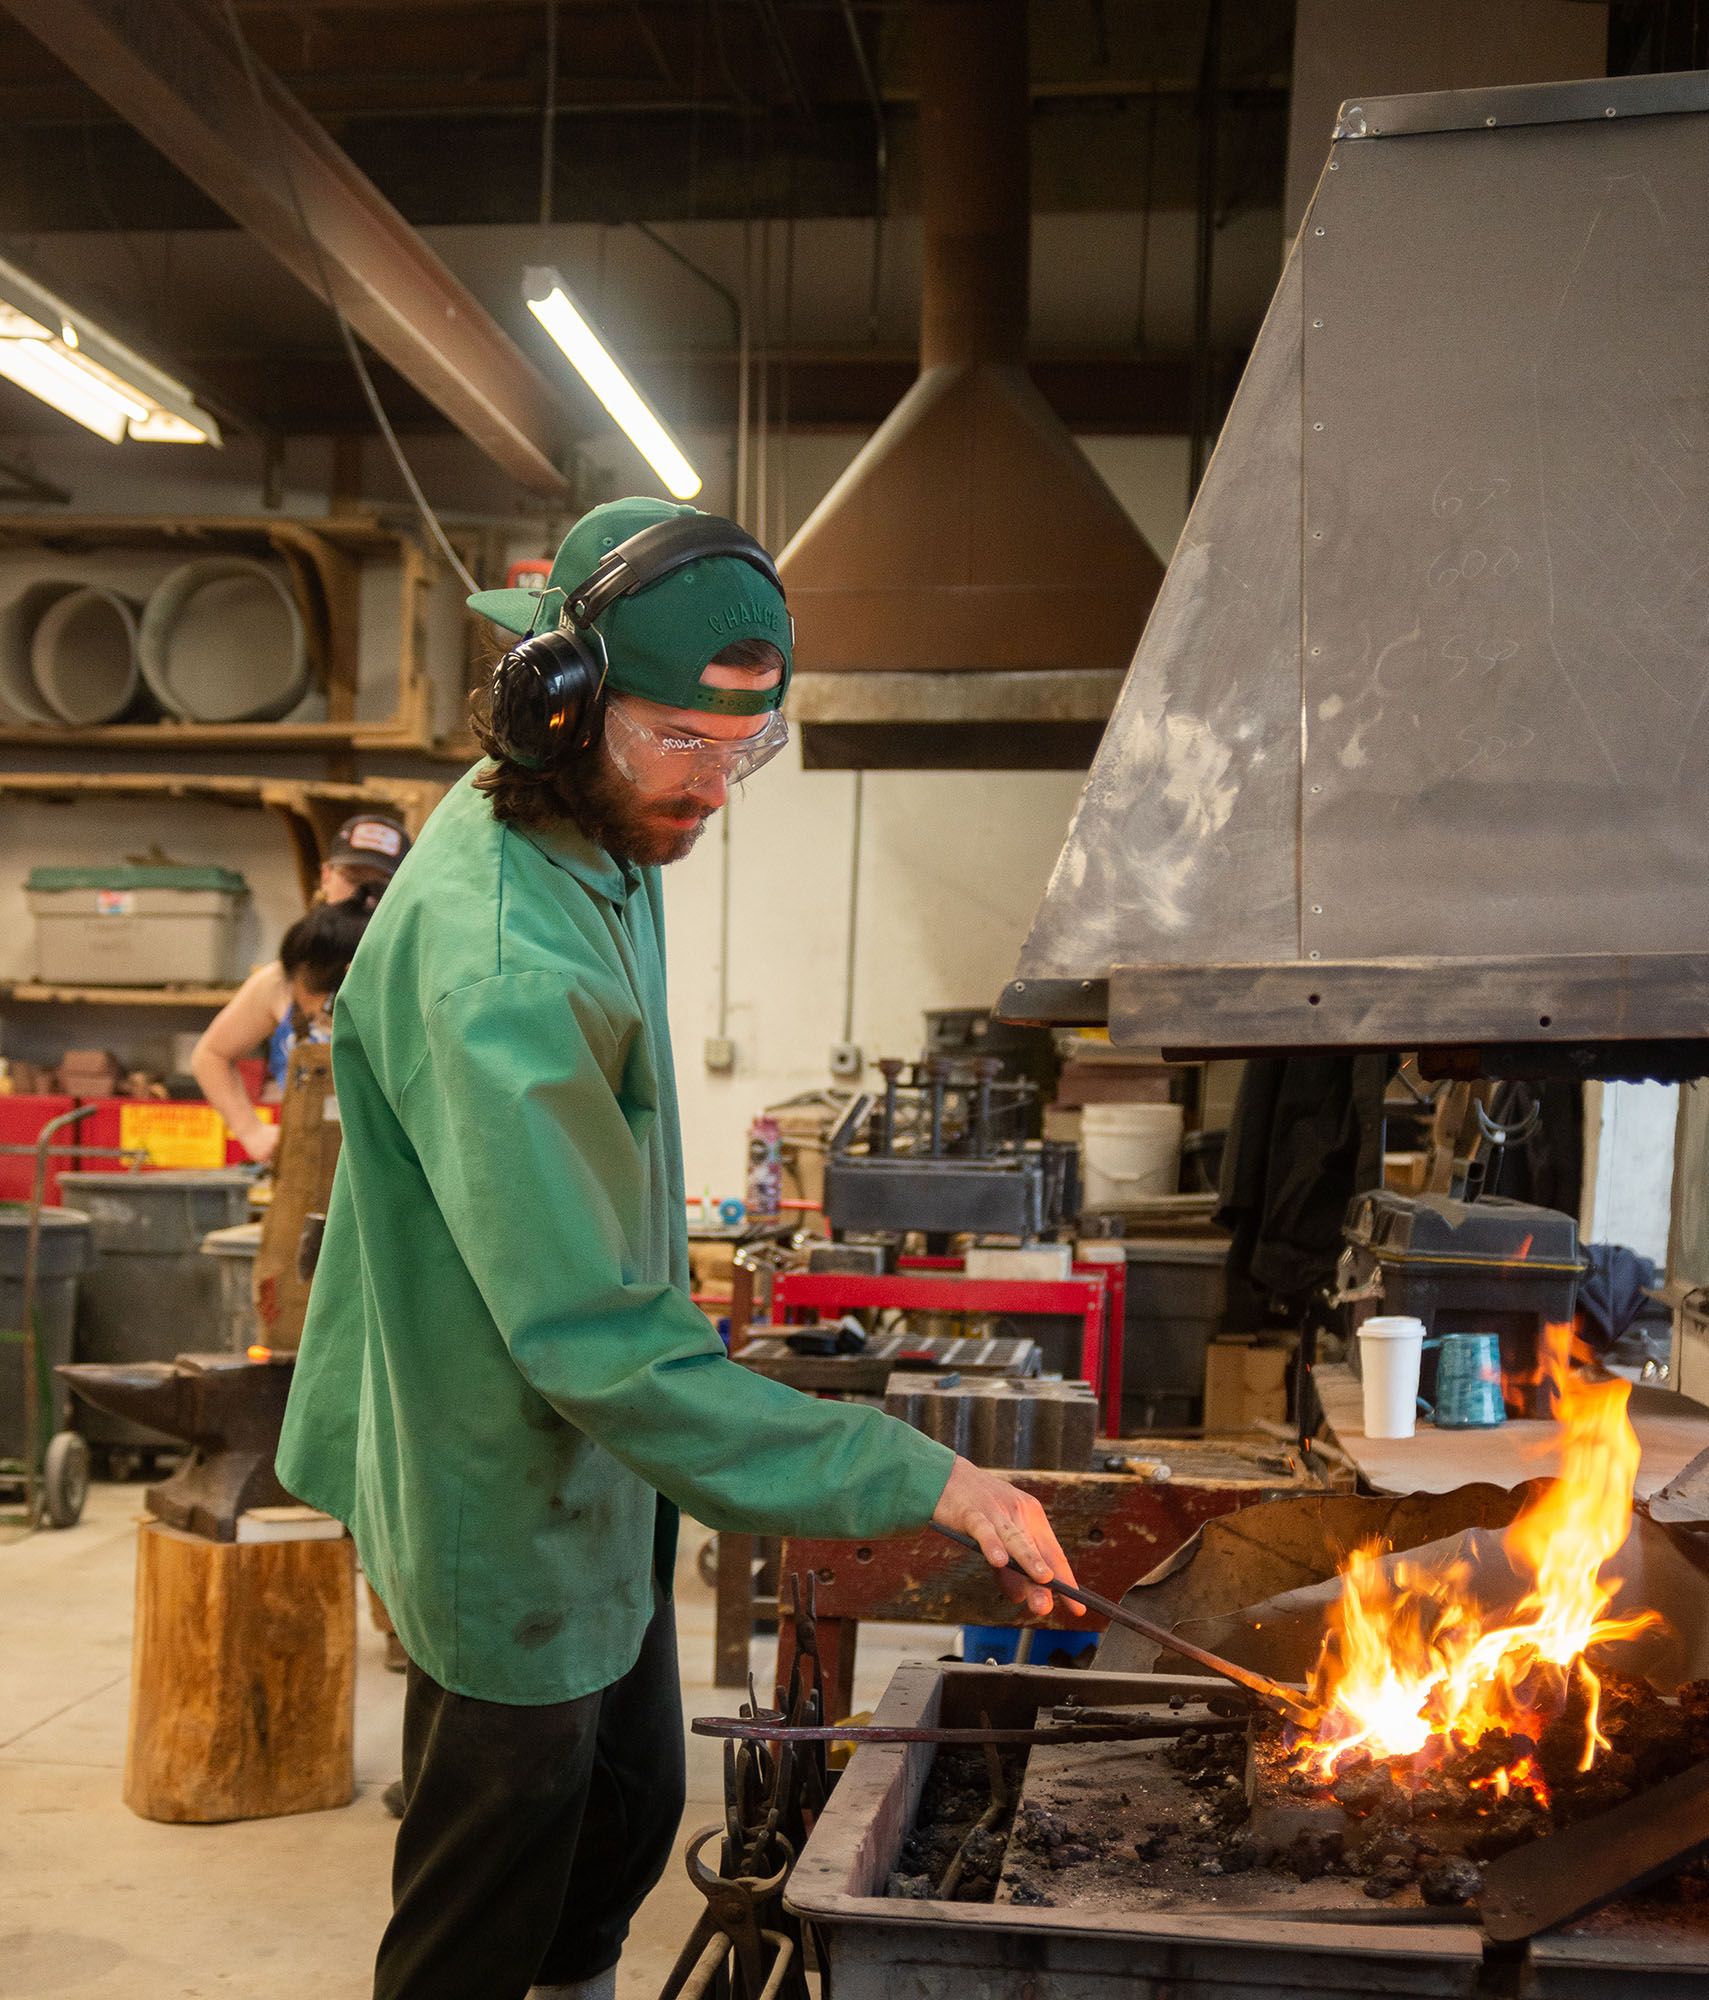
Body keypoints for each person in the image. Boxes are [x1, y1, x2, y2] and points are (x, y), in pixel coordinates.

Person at [276, 497, 1081, 2000]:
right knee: (494, 1863)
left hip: (591, 1452)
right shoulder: (497, 958)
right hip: (493, 1468)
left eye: (745, 752)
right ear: (553, 707)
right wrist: (925, 1478)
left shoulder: (604, 832)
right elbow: (589, 1336)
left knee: (631, 1809)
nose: (711, 792)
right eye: (680, 744)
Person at [190, 814, 410, 1162]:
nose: (364, 897)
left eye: (380, 886)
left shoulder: (412, 980)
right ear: (325, 876)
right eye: (353, 879)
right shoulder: (284, 979)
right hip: (306, 1163)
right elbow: (210, 1055)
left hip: (390, 1165)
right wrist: (250, 1131)